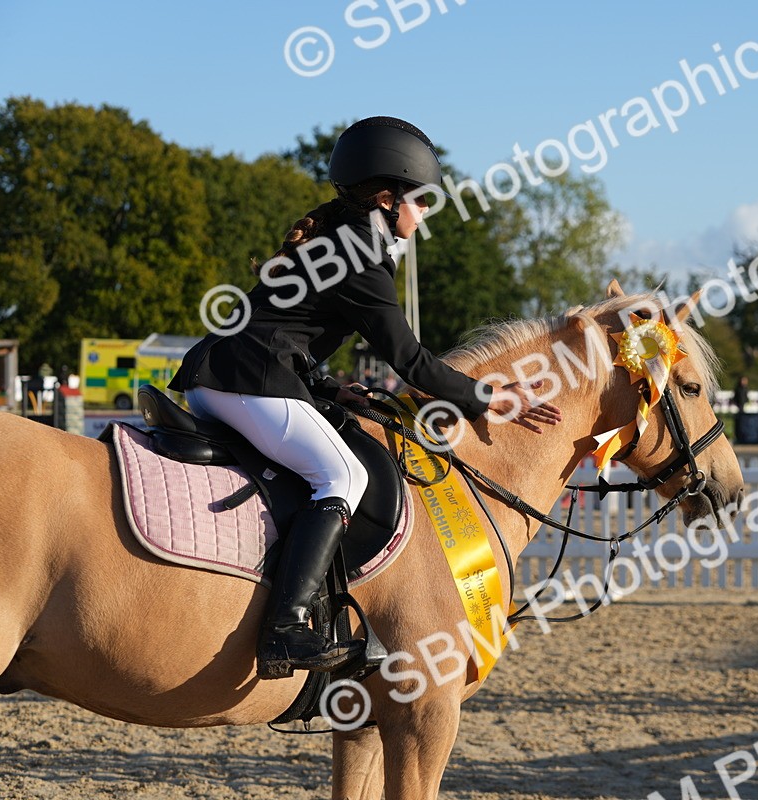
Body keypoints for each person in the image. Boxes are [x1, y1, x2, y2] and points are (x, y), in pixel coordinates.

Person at [168, 116, 562, 679]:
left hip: (233, 377)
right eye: (420, 202)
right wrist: (488, 396)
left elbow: (285, 336)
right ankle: (286, 630)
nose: (424, 216)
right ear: (386, 196)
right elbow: (411, 361)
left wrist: (332, 387)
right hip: (245, 383)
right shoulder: (360, 255)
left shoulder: (339, 241)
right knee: (343, 479)